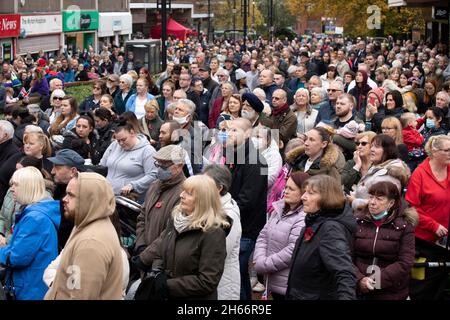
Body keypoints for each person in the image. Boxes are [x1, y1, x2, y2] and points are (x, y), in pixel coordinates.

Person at [44, 172, 123, 299]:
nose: (64, 199)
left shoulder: (91, 243)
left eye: (71, 195)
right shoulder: (89, 222)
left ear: (89, 200)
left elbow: (81, 296)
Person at [149, 175, 230, 300]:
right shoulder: (176, 220)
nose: (181, 195)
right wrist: (158, 273)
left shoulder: (213, 233)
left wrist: (168, 285)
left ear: (202, 200)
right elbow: (161, 251)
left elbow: (208, 281)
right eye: (183, 191)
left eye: (189, 193)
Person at [286, 175, 356, 300]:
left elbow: (344, 272)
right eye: (305, 192)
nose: (303, 197)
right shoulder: (314, 221)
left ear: (326, 198)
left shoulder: (330, 229)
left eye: (311, 193)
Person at [0, 167, 60, 300]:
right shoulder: (35, 212)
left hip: (30, 288)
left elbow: (17, 257)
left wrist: (1, 251)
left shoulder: (35, 218)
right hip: (32, 284)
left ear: (27, 187)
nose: (11, 189)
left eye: (15, 185)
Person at [225, 118, 268, 300]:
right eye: (228, 130)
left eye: (235, 130)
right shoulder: (235, 154)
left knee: (235, 274)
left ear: (248, 133)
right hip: (235, 222)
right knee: (239, 275)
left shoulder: (258, 162)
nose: (229, 134)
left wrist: (224, 215)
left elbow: (248, 200)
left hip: (246, 228)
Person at [353, 181, 417, 300]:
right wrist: (359, 279)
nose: (372, 202)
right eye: (371, 197)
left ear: (391, 203)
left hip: (391, 290)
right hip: (359, 288)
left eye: (379, 199)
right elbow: (347, 256)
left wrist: (375, 281)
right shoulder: (358, 221)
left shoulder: (404, 226)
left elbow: (405, 262)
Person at [406, 135, 450, 300]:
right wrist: (433, 225)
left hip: (445, 239)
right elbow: (412, 207)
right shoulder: (420, 173)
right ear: (434, 151)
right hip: (424, 240)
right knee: (424, 284)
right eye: (447, 150)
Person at [254, 172, 309, 300]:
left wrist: (264, 264)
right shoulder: (279, 209)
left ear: (303, 192)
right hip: (271, 278)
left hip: (287, 283)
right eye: (286, 187)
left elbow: (292, 250)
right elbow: (263, 236)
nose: (286, 191)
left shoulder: (303, 217)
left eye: (291, 189)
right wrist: (260, 258)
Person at [133, 145, 186, 270]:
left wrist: (145, 256)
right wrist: (141, 245)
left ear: (179, 166)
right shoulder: (154, 186)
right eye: (158, 164)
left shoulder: (184, 192)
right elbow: (142, 217)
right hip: (146, 255)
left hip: (163, 263)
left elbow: (170, 232)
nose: (160, 169)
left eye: (164, 165)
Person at [203, 164, 241, 300]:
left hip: (223, 284)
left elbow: (220, 252)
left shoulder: (229, 215)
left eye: (206, 183)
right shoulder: (208, 205)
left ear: (219, 188)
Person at [99, 121, 157, 201]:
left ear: (132, 133)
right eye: (118, 140)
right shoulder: (114, 145)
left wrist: (133, 185)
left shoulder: (147, 150)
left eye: (123, 139)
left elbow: (153, 175)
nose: (121, 143)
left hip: (129, 199)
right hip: (108, 194)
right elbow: (102, 165)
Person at [350, 134, 410, 210]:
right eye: (371, 146)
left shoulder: (391, 174)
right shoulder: (377, 167)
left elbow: (380, 205)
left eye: (376, 147)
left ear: (387, 150)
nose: (372, 149)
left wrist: (354, 202)